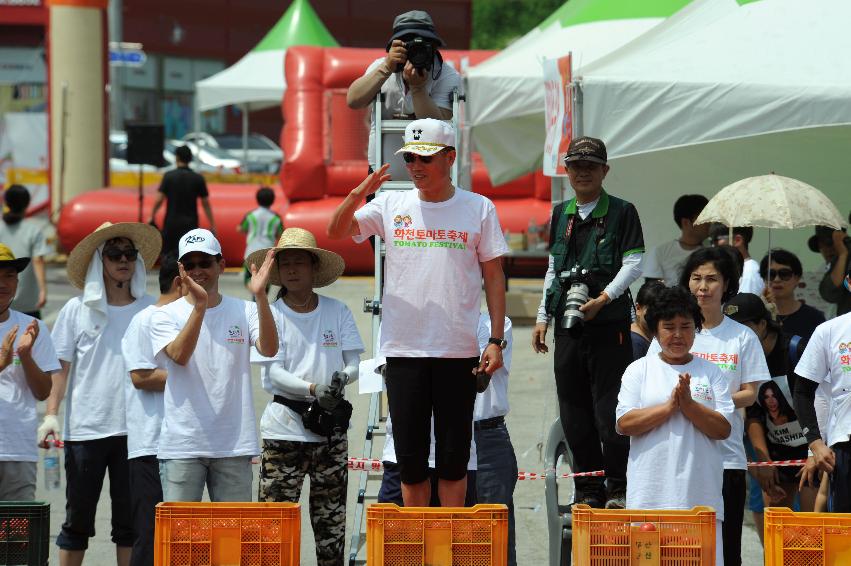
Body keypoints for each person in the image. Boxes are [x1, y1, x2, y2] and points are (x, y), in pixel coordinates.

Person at [327, 118, 508, 507]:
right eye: (410, 157)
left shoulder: (478, 208)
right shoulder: (390, 203)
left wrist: (495, 339)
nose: (416, 166)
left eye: (425, 157)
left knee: (453, 461)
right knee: (410, 461)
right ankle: (420, 546)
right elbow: (337, 230)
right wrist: (359, 193)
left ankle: (449, 543)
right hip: (404, 349)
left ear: (451, 158)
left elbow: (494, 276)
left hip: (457, 351)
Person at [532, 136, 645, 509]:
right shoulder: (560, 212)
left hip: (608, 322)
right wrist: (542, 317)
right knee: (573, 409)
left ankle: (618, 485)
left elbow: (634, 264)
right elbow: (553, 267)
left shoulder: (623, 211)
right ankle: (588, 487)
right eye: (575, 165)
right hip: (568, 324)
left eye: (591, 166)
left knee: (609, 408)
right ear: (566, 170)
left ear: (604, 171)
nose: (582, 172)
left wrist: (604, 299)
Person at [40, 222, 161, 566]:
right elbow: (60, 367)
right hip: (85, 431)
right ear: (99, 261)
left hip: (137, 433)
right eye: (114, 254)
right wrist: (51, 414)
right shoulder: (77, 310)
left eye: (129, 254)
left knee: (129, 525)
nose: (123, 260)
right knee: (77, 522)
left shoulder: (150, 310)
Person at [248, 227, 363, 566]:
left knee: (331, 527)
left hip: (330, 431)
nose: (293, 270)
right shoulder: (270, 312)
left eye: (300, 262)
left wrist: (342, 380)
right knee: (273, 528)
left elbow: (354, 361)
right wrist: (313, 389)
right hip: (283, 431)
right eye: (286, 264)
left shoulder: (337, 310)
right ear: (278, 272)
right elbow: (272, 372)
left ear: (314, 267)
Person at [648, 247, 769, 566]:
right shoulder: (669, 333)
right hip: (676, 457)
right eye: (696, 278)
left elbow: (751, 393)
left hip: (726, 458)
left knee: (726, 550)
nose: (703, 286)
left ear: (727, 284)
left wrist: (703, 403)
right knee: (677, 549)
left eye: (712, 279)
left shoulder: (742, 337)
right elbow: (651, 384)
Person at [150, 229, 278, 502]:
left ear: (220, 265)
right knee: (181, 540)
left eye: (205, 263)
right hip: (183, 445)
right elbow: (180, 355)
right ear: (181, 270)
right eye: (191, 264)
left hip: (233, 445)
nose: (198, 270)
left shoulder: (246, 309)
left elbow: (269, 348)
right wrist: (200, 307)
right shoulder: (165, 315)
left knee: (232, 540)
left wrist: (262, 296)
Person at [617, 286, 733, 566]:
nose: (678, 335)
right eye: (669, 327)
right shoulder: (639, 370)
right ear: (656, 331)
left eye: (686, 326)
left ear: (696, 329)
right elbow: (624, 423)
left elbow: (723, 429)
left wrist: (689, 406)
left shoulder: (711, 372)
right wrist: (669, 407)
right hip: (649, 498)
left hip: (700, 498)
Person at [724, 293, 816, 540]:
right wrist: (763, 462)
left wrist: (814, 452)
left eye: (743, 328)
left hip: (811, 450)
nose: (737, 336)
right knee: (778, 533)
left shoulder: (796, 350)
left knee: (812, 529)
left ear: (762, 324)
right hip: (777, 452)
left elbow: (821, 403)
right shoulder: (741, 361)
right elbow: (752, 413)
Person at [346, 10, 461, 180]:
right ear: (395, 46)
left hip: (432, 181)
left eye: (424, 45)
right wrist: (386, 68)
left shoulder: (446, 75)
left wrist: (418, 89)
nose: (417, 52)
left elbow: (438, 128)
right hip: (382, 177)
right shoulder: (382, 67)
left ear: (435, 47)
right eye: (410, 47)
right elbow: (353, 101)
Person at [120, 252, 181, 566]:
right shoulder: (144, 320)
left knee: (179, 539)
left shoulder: (184, 320)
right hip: (150, 446)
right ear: (179, 282)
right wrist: (192, 381)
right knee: (150, 536)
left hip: (183, 447)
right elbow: (141, 377)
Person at [0, 244, 60, 501]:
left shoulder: (32, 327)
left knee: (16, 537)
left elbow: (43, 391)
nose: (3, 283)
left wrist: (25, 356)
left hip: (16, 449)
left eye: (9, 275)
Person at [794, 262, 851, 512]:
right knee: (845, 535)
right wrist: (815, 444)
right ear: (849, 282)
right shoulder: (829, 331)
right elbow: (803, 391)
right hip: (847, 443)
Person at [473, 312, 517, 566]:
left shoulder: (496, 325)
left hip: (486, 438)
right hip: (439, 438)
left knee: (494, 542)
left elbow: (480, 373)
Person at [149, 145, 216, 255]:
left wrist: (152, 215)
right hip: (190, 223)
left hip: (171, 222)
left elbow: (159, 199)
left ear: (176, 158)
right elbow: (206, 204)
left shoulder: (169, 176)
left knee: (169, 255)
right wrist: (212, 224)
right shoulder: (197, 178)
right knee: (187, 254)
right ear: (190, 159)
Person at [0, 185, 50, 318]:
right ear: (27, 204)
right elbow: (38, 260)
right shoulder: (33, 230)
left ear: (6, 203)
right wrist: (43, 290)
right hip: (27, 301)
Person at [759, 248, 825, 340]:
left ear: (797, 278)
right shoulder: (757, 318)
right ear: (764, 279)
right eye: (771, 274)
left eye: (784, 274)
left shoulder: (814, 318)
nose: (777, 279)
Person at [643, 194, 709, 286]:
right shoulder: (660, 253)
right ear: (686, 222)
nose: (710, 222)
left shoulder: (712, 252)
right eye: (705, 218)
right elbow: (651, 291)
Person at [237, 186, 283, 287]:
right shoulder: (276, 218)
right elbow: (280, 234)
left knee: (248, 280)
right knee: (266, 281)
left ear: (257, 199)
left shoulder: (250, 215)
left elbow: (241, 228)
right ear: (272, 200)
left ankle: (255, 293)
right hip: (267, 253)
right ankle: (260, 295)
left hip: (251, 252)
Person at [808, 225, 851, 316]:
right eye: (822, 244)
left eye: (832, 243)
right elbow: (828, 293)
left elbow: (832, 292)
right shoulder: (823, 269)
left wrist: (843, 254)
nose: (828, 249)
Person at [631, 280, 666, 360]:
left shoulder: (648, 338)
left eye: (662, 310)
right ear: (638, 308)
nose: (657, 315)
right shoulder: (636, 344)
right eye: (652, 310)